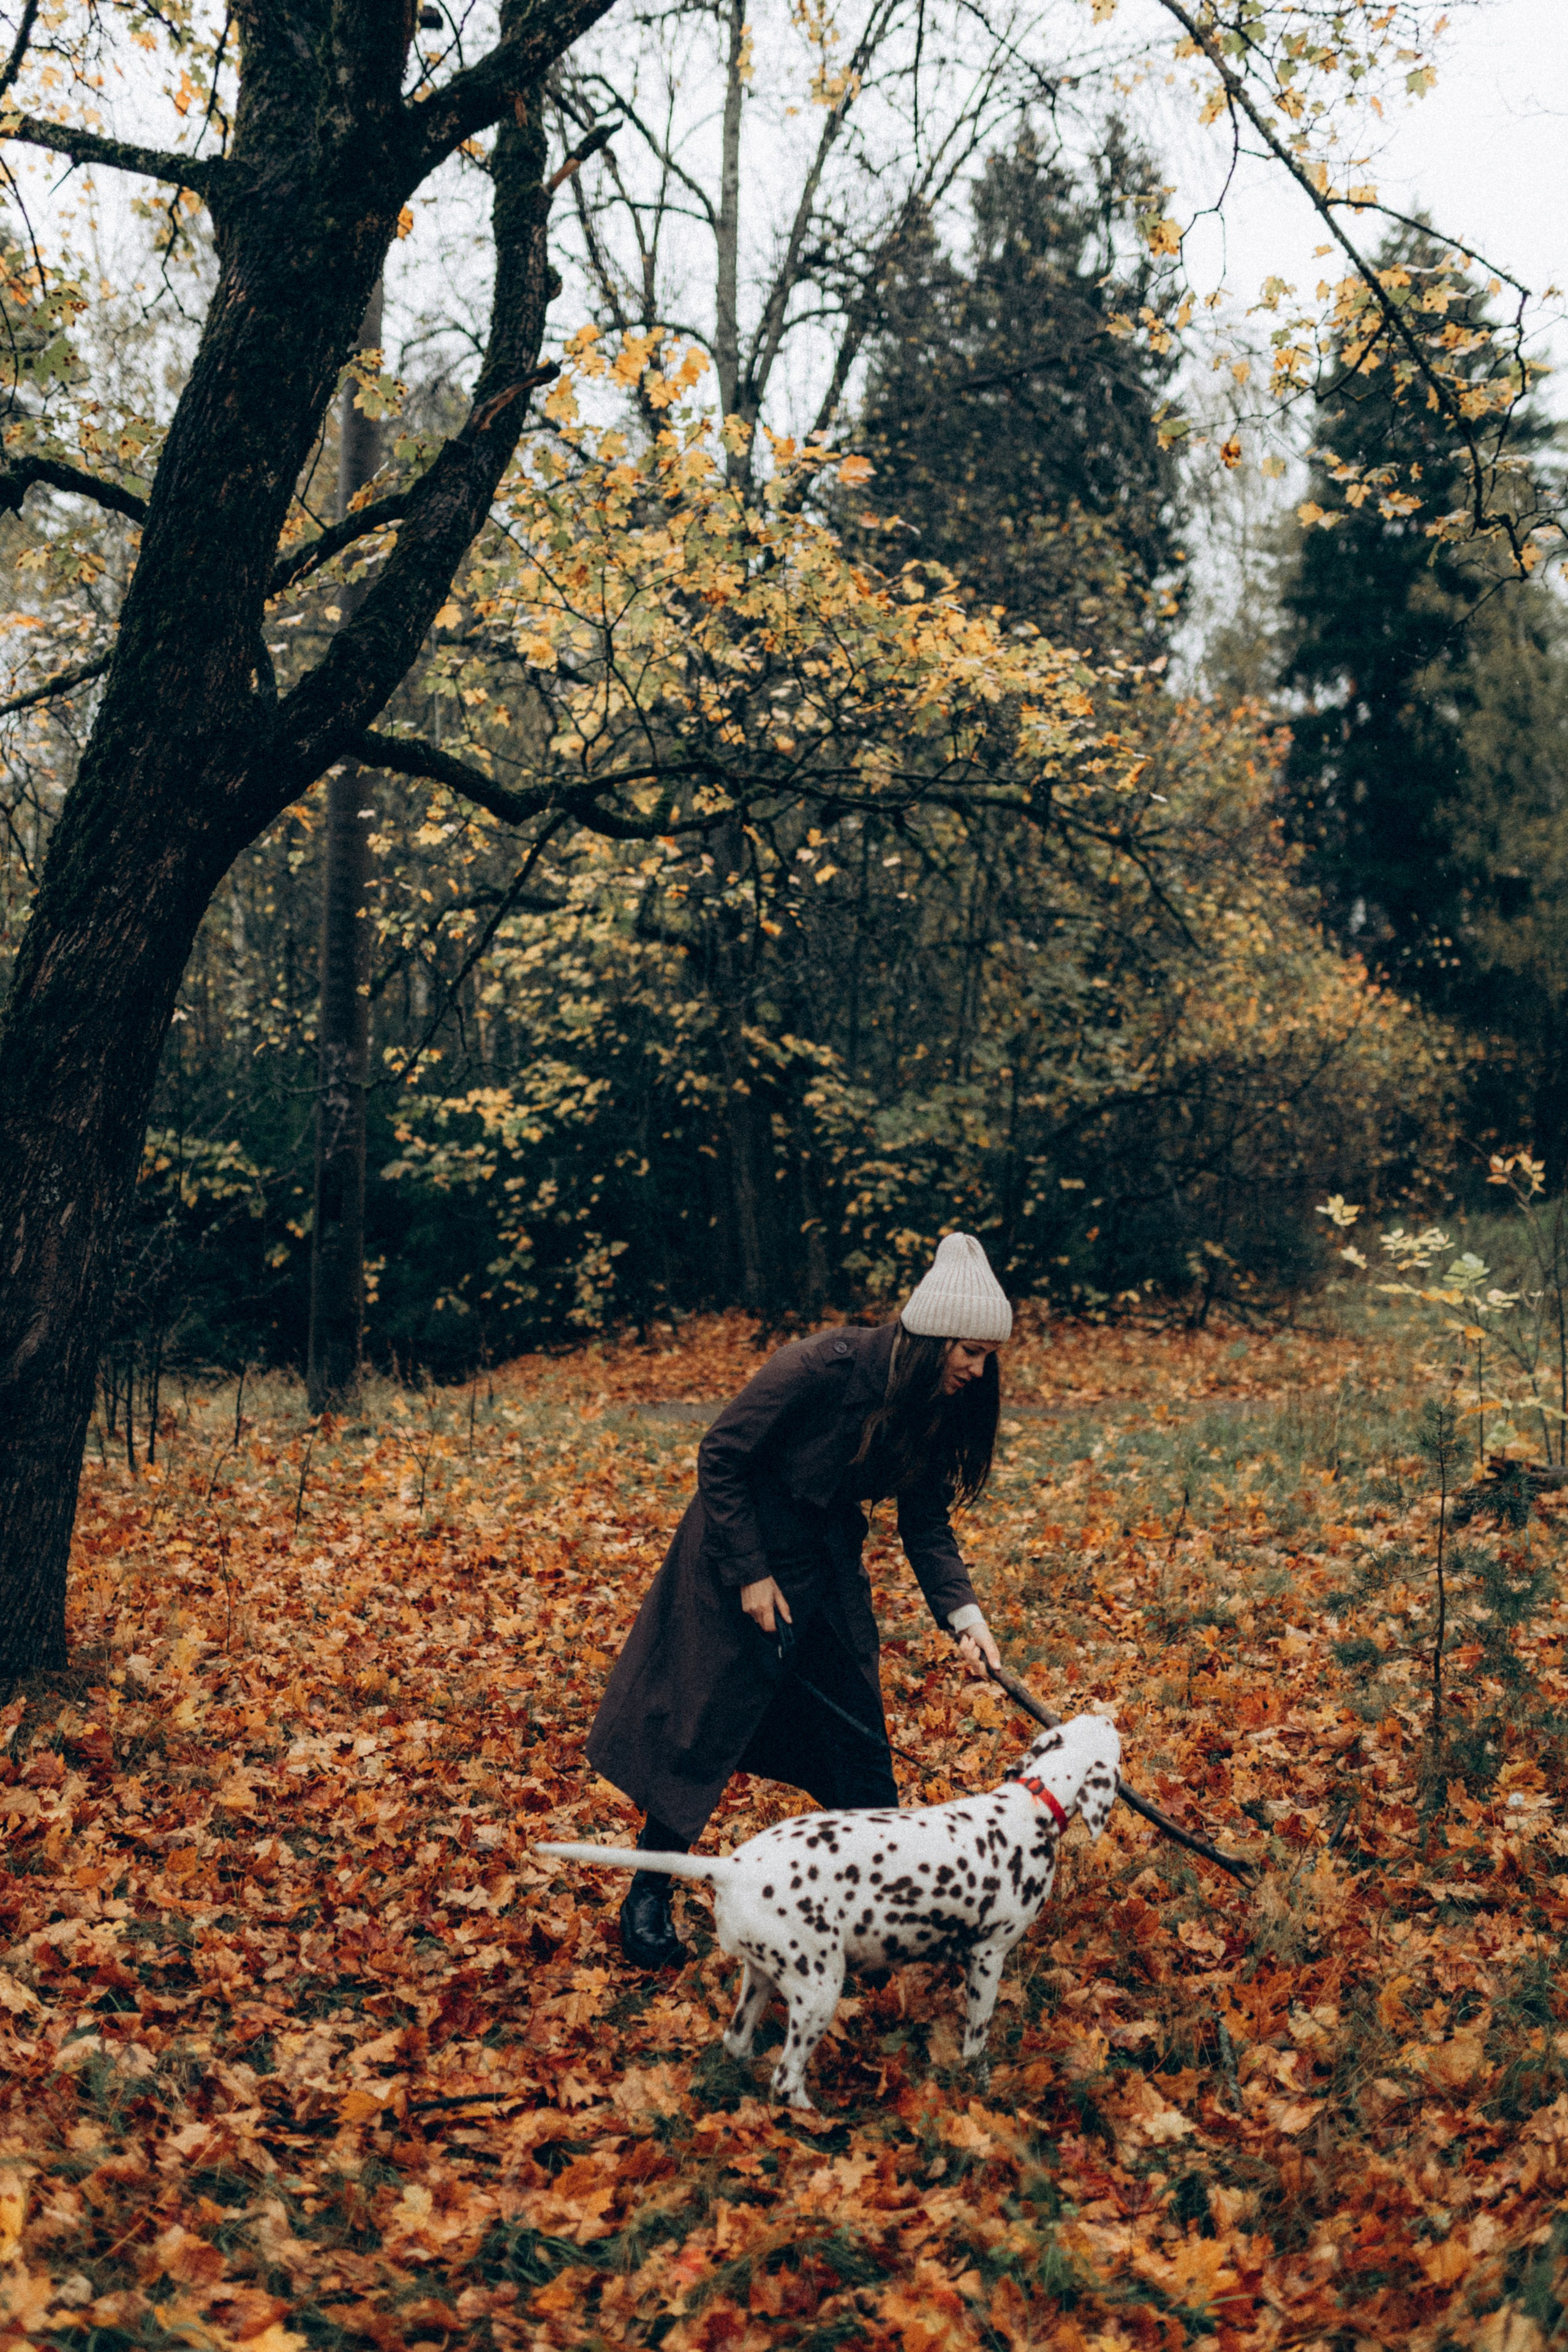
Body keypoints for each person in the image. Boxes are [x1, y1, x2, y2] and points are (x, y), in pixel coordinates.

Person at [584, 1232, 1011, 1969]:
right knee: (706, 1726)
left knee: (860, 1745)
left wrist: (964, 1619)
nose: (979, 1369)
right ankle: (648, 1895)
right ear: (931, 1338)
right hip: (735, 1551)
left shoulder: (930, 1404)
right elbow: (721, 1454)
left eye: (985, 1355)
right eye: (969, 1352)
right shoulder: (819, 1366)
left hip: (825, 1564)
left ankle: (882, 1920)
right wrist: (750, 1572)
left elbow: (925, 1522)